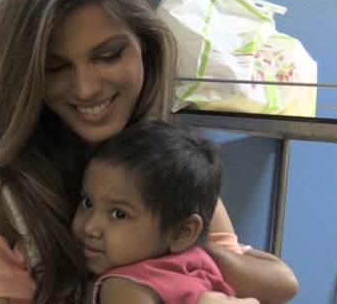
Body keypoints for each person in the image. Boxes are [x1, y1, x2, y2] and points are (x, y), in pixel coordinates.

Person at [0, 0, 299, 304]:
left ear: (146, 48)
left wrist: (183, 245)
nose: (86, 88)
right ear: (25, 72)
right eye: (56, 67)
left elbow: (270, 282)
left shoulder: (167, 169)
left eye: (108, 56)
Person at [73, 120, 249, 304]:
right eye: (87, 203)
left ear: (181, 232)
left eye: (119, 214)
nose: (90, 227)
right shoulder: (199, 264)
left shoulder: (123, 286)